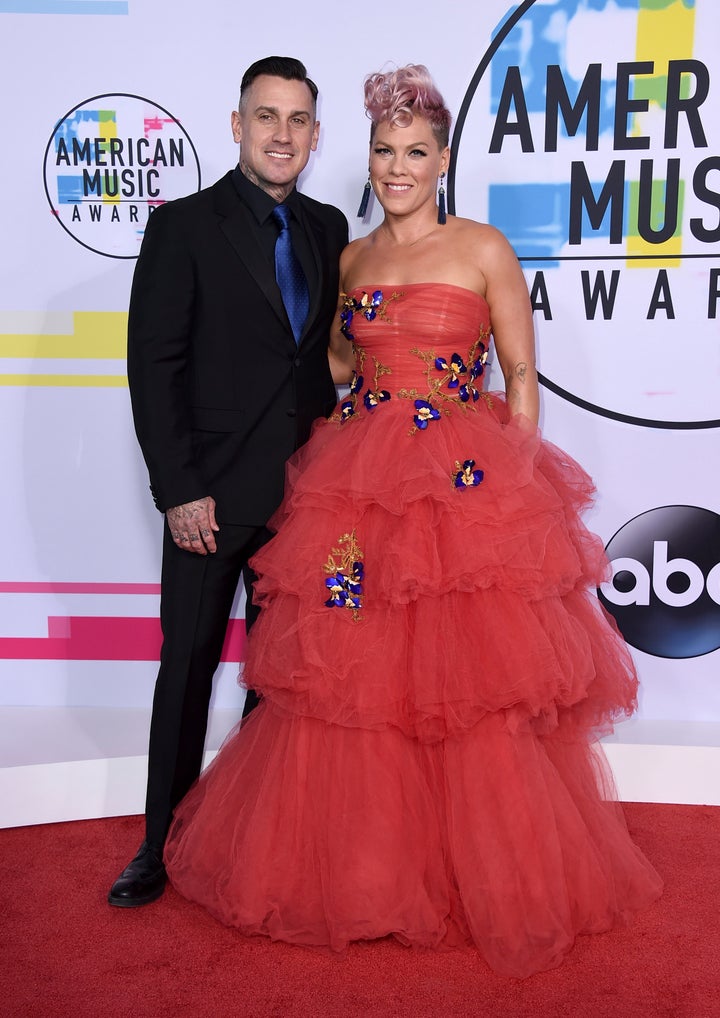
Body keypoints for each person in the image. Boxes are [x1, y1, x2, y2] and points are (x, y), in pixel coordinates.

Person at [162, 65, 662, 977]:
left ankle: (479, 872)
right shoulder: (349, 257)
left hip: (462, 487)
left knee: (463, 684)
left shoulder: (483, 249)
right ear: (371, 160)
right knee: (358, 680)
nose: (398, 168)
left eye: (416, 153)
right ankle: (366, 868)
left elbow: (517, 376)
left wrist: (510, 489)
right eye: (385, 152)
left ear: (442, 160)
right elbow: (343, 363)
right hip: (357, 490)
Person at [108, 56, 348, 908]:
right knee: (189, 669)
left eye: (296, 120)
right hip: (210, 498)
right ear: (236, 125)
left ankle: (249, 837)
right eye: (265, 116)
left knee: (280, 678)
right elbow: (154, 365)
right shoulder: (184, 227)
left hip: (307, 497)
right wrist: (178, 489)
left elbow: (323, 362)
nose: (281, 134)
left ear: (316, 137)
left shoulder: (326, 228)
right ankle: (158, 847)